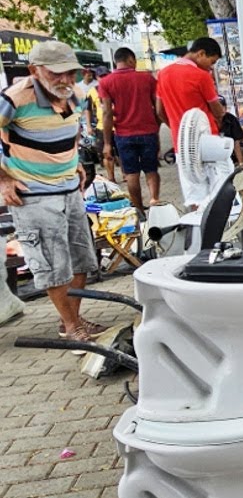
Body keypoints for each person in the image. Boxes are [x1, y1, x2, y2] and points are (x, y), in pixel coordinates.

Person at [0, 41, 106, 345]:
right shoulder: (14, 98)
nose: (65, 79)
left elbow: (72, 128)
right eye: (56, 73)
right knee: (52, 263)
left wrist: (73, 162)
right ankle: (73, 328)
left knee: (81, 258)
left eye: (70, 72)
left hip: (70, 189)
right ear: (34, 71)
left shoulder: (78, 94)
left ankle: (70, 321)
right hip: (32, 194)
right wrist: (4, 180)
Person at [99, 47, 162, 209]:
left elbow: (106, 113)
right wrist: (156, 126)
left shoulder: (105, 82)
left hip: (123, 135)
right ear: (131, 60)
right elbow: (158, 107)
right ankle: (154, 200)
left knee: (131, 174)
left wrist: (107, 143)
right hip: (148, 132)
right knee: (151, 170)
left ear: (116, 62)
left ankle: (139, 208)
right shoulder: (147, 78)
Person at [156, 37, 224, 150]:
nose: (211, 67)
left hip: (180, 143)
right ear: (201, 53)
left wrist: (176, 128)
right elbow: (217, 110)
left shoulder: (162, 74)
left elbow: (159, 111)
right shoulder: (202, 76)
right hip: (207, 140)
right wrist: (220, 118)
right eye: (212, 62)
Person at [82, 69, 116, 183]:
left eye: (106, 75)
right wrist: (89, 125)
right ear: (97, 77)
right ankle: (111, 177)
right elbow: (88, 109)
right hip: (102, 127)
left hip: (119, 125)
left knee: (121, 154)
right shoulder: (93, 91)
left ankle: (126, 175)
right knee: (106, 153)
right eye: (101, 76)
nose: (103, 78)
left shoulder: (116, 87)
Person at [216, 97, 243, 167]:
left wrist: (241, 164)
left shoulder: (231, 119)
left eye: (224, 106)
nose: (222, 109)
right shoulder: (207, 121)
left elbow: (236, 143)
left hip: (230, 158)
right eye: (218, 107)